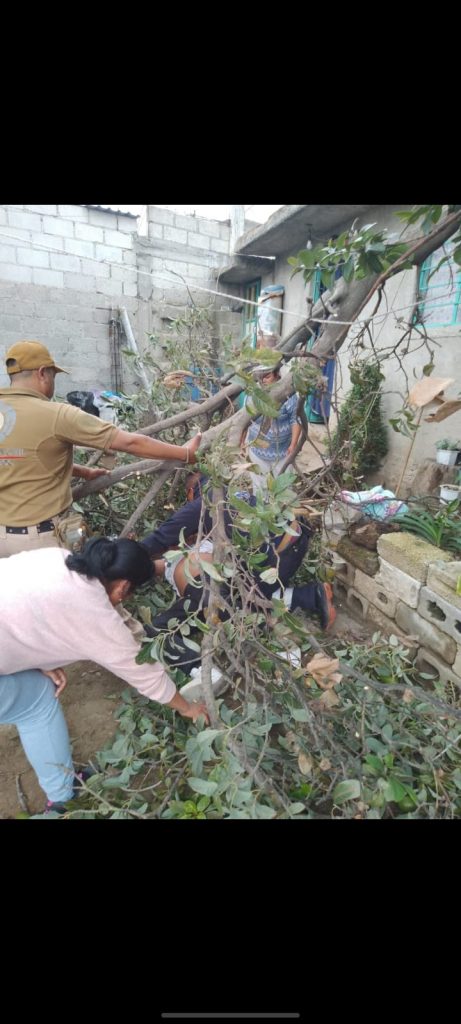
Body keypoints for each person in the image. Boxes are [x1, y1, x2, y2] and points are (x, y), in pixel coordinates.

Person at [0, 537, 209, 815]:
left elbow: (20, 610)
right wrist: (188, 709)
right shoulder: (94, 614)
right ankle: (63, 797)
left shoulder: (57, 557)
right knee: (38, 701)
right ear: (123, 587)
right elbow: (144, 673)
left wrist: (34, 662)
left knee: (36, 682)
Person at [0, 340, 202, 557]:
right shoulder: (56, 414)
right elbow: (130, 443)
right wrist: (186, 454)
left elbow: (22, 457)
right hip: (39, 543)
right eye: (53, 376)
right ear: (42, 373)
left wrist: (83, 472)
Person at [142, 490, 335, 674]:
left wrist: (134, 561)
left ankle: (201, 671)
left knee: (156, 630)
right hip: (290, 546)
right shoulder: (229, 499)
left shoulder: (201, 509)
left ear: (194, 488)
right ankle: (309, 596)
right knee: (246, 595)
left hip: (244, 572)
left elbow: (158, 541)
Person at [240, 364, 302, 493]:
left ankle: (281, 513)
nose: (263, 380)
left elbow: (295, 419)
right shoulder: (252, 395)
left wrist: (294, 444)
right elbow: (244, 420)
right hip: (257, 451)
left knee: (284, 489)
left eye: (267, 376)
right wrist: (241, 442)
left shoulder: (287, 394)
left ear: (276, 375)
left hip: (284, 452)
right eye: (260, 377)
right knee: (260, 489)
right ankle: (262, 512)